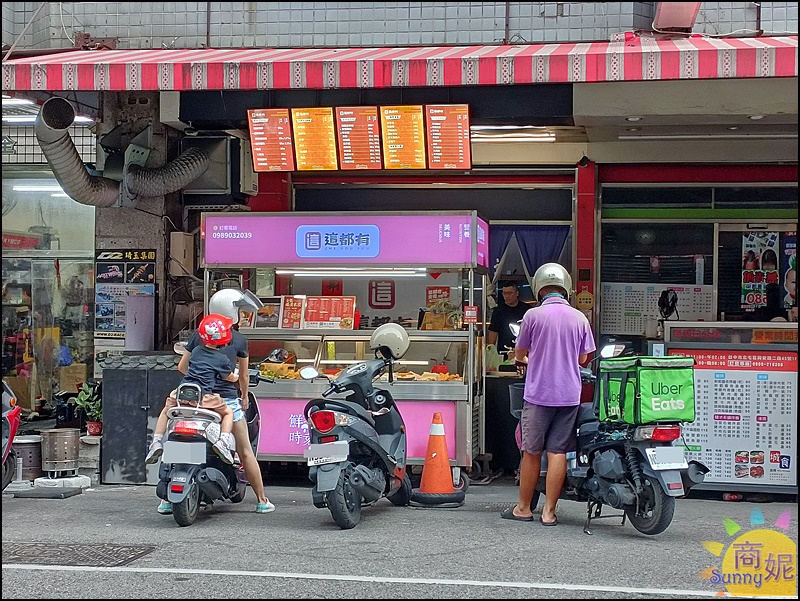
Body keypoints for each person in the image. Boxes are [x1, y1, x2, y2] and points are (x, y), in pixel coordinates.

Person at [158, 288, 275, 515]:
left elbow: (182, 367)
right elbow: (242, 376)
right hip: (225, 402)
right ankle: (262, 500)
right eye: (239, 310)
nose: (241, 314)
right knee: (244, 451)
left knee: (176, 444)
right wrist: (243, 398)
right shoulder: (240, 340)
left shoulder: (198, 335)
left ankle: (165, 500)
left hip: (194, 400)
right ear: (232, 311)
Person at [500, 263, 595, 526]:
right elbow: (584, 358)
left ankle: (523, 508)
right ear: (566, 288)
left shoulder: (532, 316)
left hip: (539, 393)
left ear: (539, 289)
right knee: (558, 452)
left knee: (531, 452)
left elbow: (519, 355)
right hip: (569, 395)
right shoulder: (579, 318)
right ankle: (549, 512)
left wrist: (533, 359)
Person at [146, 313, 238, 468]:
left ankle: (155, 441)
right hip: (204, 398)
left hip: (182, 394)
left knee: (165, 410)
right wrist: (237, 375)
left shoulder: (196, 351)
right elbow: (229, 377)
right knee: (229, 412)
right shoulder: (222, 359)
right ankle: (223, 441)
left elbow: (185, 368)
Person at [487, 281, 532, 360]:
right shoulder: (498, 311)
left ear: (517, 293)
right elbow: (493, 332)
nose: (507, 296)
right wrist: (490, 352)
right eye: (504, 293)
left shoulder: (527, 310)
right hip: (503, 352)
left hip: (524, 352)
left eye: (510, 293)